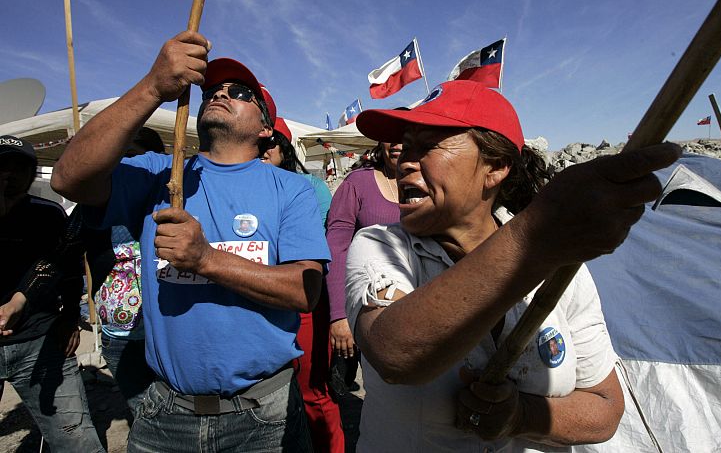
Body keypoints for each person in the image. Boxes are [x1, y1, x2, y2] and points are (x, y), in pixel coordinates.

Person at [345, 80, 681, 451]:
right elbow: (396, 354)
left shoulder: (561, 265)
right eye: (405, 148)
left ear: (496, 167)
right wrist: (535, 236)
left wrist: (522, 417)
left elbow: (605, 409)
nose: (404, 162)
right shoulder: (381, 244)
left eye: (426, 147)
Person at [51, 31, 330, 452]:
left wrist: (206, 260)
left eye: (239, 92)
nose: (220, 94)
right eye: (212, 90)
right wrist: (152, 86)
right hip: (164, 411)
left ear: (266, 127)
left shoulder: (292, 191)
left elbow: (304, 290)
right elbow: (68, 178)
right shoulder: (157, 173)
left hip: (263, 411)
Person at [0, 135, 105, 453]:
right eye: (2, 166)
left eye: (20, 167)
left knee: (76, 440)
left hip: (39, 341)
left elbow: (68, 268)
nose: (10, 175)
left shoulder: (47, 215)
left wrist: (71, 315)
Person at [260, 117, 344, 453]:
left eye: (271, 142)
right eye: (258, 143)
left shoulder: (311, 186)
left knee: (313, 389)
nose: (264, 149)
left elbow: (323, 248)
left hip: (307, 299)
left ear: (283, 145)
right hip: (262, 302)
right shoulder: (247, 188)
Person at [84, 127, 165, 415]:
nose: (126, 167)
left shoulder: (172, 205)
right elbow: (66, 252)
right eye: (119, 158)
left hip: (167, 335)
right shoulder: (97, 207)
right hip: (119, 338)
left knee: (175, 417)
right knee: (141, 414)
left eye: (132, 157)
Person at [325, 139, 401, 369]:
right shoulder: (358, 182)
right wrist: (339, 315)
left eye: (406, 134)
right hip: (371, 311)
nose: (398, 142)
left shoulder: (431, 180)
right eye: (391, 135)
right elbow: (336, 247)